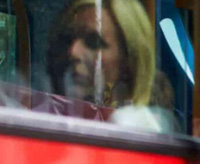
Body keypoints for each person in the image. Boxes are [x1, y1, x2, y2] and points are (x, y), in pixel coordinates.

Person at [45, 0, 176, 131]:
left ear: (129, 60)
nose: (73, 51)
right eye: (67, 39)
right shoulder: (55, 115)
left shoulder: (130, 126)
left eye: (94, 41)